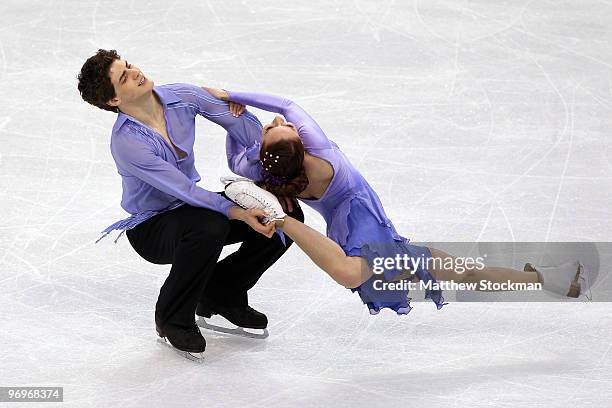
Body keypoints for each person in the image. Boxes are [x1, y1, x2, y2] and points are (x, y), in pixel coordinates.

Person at [206, 87, 590, 314]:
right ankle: (547, 277)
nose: (276, 121)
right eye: (276, 128)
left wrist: (232, 103)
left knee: (434, 272)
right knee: (454, 271)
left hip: (363, 218)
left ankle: (546, 277)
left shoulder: (298, 155)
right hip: (342, 226)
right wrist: (232, 110)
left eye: (276, 126)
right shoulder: (289, 154)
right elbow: (281, 112)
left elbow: (274, 118)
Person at [76, 50, 304, 360]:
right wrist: (238, 211)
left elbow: (240, 125)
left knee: (284, 214)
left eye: (129, 65)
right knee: (211, 225)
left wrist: (270, 163)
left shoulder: (180, 96)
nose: (135, 71)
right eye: (123, 77)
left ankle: (221, 294)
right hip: (152, 227)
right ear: (113, 100)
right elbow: (183, 190)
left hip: (194, 211)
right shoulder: (128, 141)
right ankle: (171, 318)